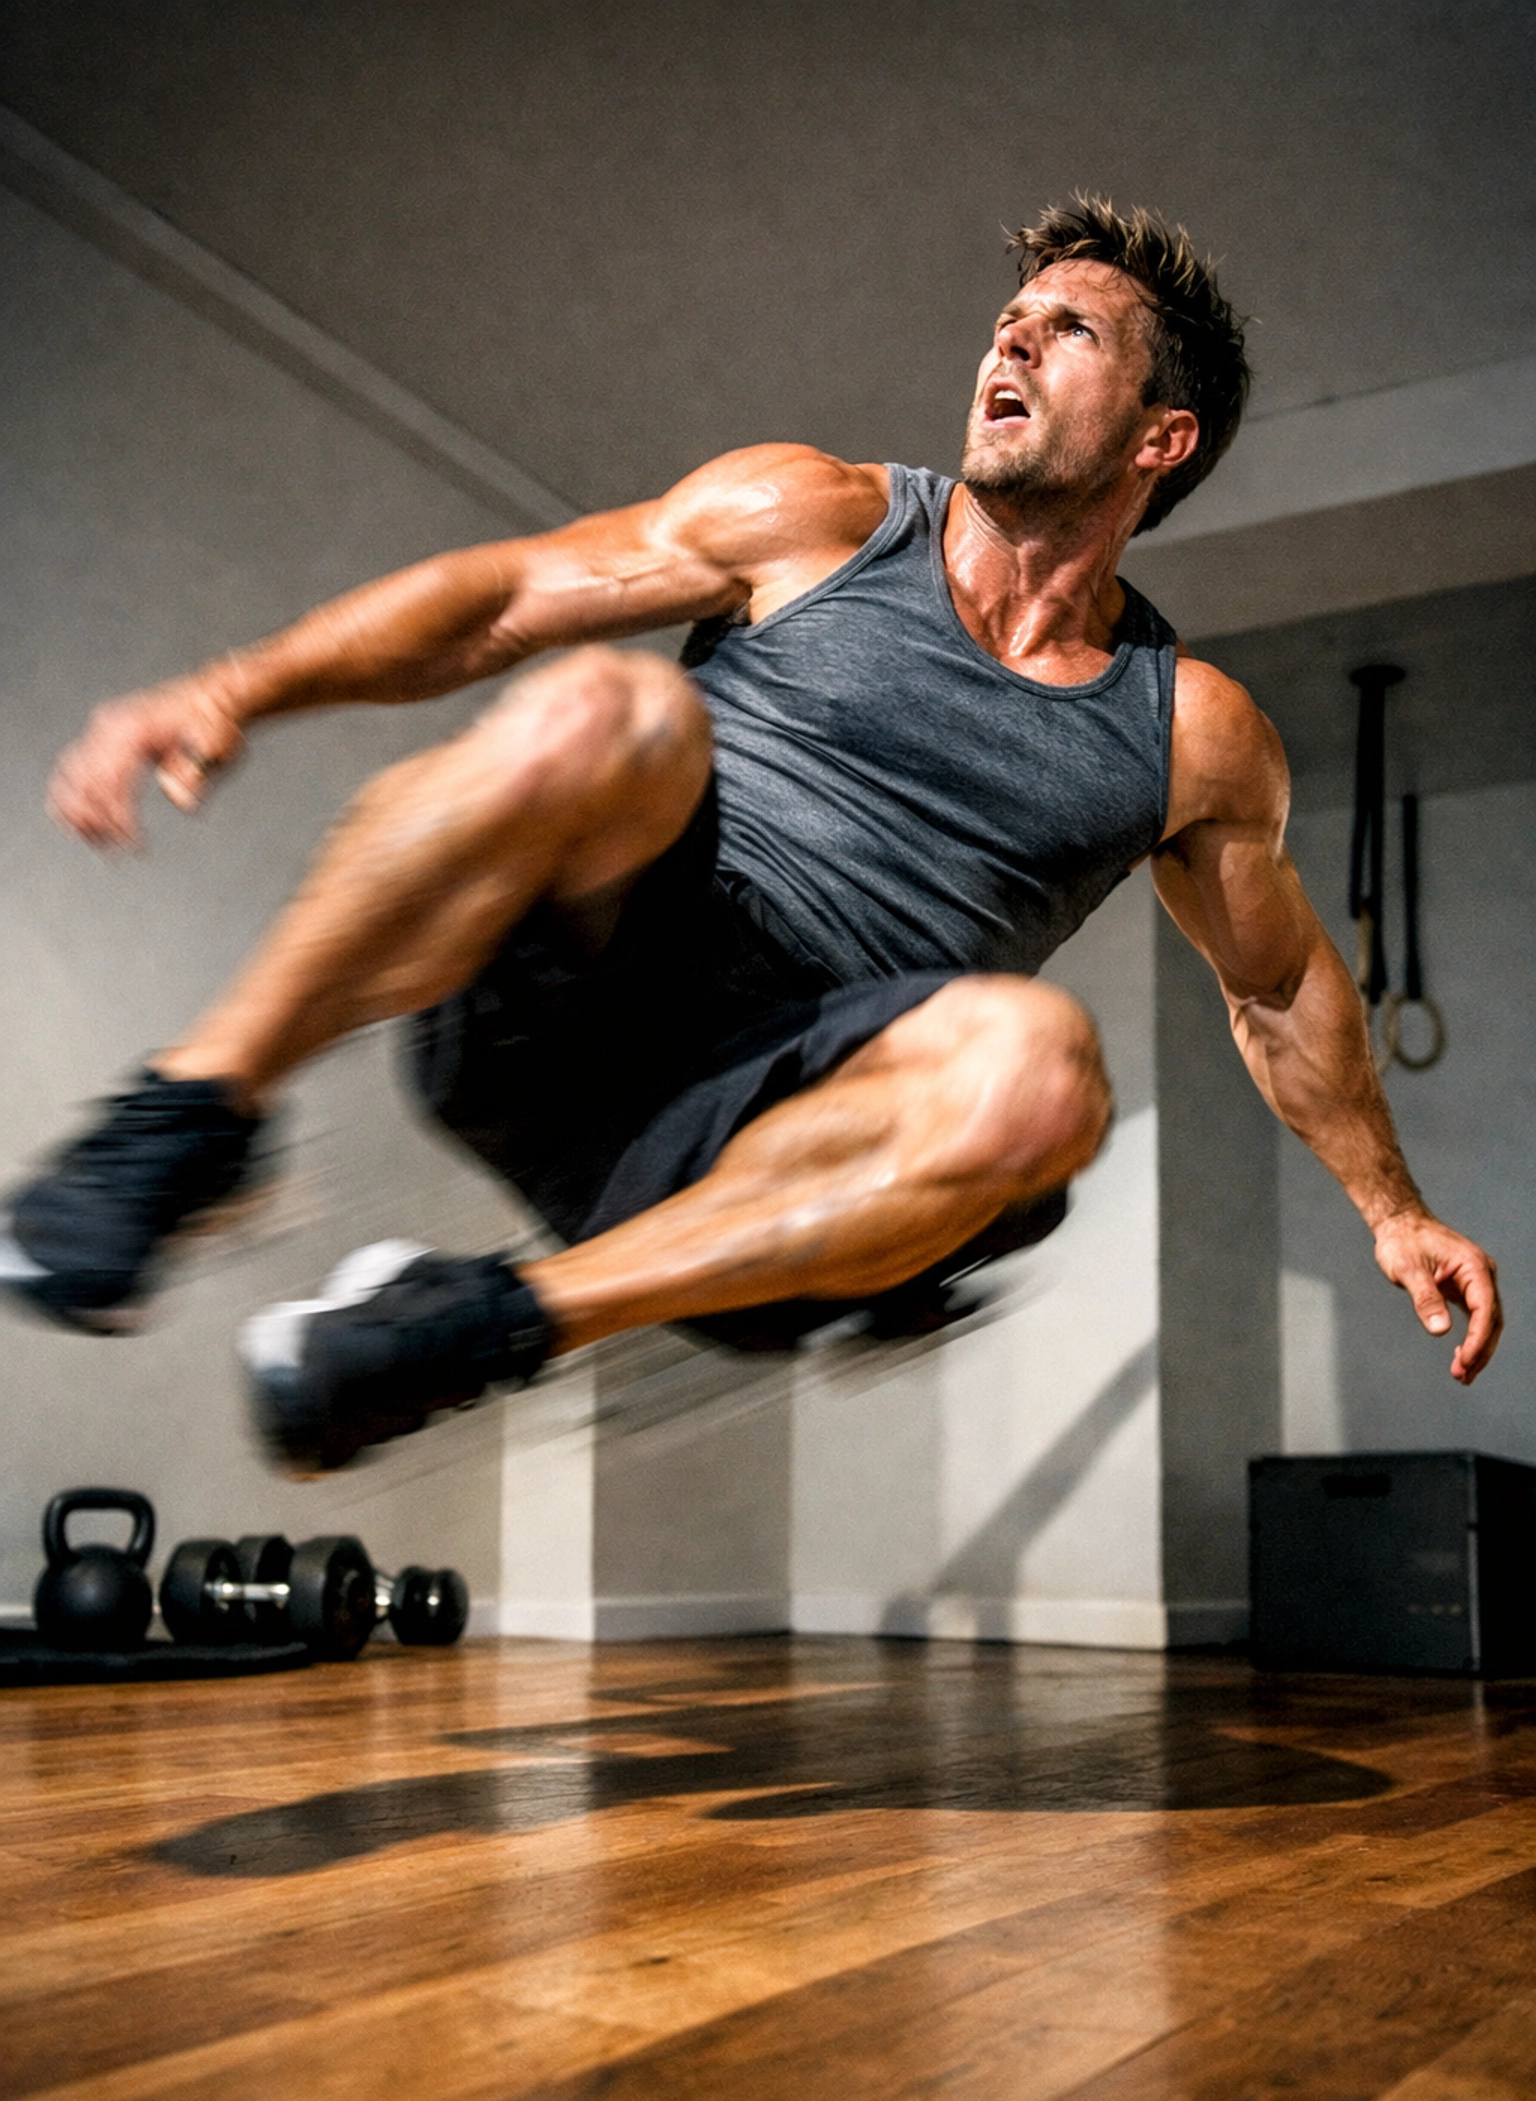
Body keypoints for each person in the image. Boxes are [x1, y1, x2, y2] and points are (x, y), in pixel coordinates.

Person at [1, 197, 1502, 1474]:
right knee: (609, 710)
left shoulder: (1193, 733)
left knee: (1042, 1074)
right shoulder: (817, 515)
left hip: (779, 1149)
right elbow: (505, 600)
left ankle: (486, 1323)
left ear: (1161, 438)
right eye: (1010, 317)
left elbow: (1281, 985)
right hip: (558, 1013)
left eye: (1070, 330)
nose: (1011, 339)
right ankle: (190, 1122)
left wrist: (1394, 1211)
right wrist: (233, 689)